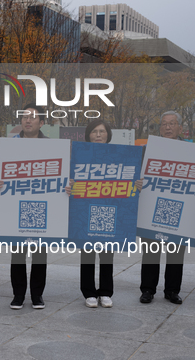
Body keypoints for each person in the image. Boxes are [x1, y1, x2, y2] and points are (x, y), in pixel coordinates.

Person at [0, 103, 49, 310]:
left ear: (41, 122)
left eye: (33, 117)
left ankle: (37, 295)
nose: (28, 120)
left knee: (39, 253)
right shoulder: (10, 145)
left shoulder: (52, 146)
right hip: (15, 205)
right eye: (25, 116)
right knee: (17, 253)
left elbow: (62, 175)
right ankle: (18, 294)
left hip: (41, 205)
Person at [137, 111, 186, 305]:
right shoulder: (148, 150)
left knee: (176, 252)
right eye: (164, 124)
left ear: (180, 128)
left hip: (179, 206)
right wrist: (138, 182)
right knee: (150, 250)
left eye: (172, 123)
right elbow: (137, 173)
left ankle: (172, 290)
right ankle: (148, 289)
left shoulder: (190, 151)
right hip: (152, 205)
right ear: (160, 128)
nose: (168, 127)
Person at [65, 119, 115, 308]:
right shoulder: (79, 156)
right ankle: (89, 292)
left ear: (108, 135)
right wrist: (69, 185)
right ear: (88, 135)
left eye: (102, 131)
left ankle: (106, 292)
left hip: (108, 208)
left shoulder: (117, 155)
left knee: (107, 253)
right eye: (94, 131)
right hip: (85, 209)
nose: (98, 135)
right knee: (87, 252)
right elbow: (70, 179)